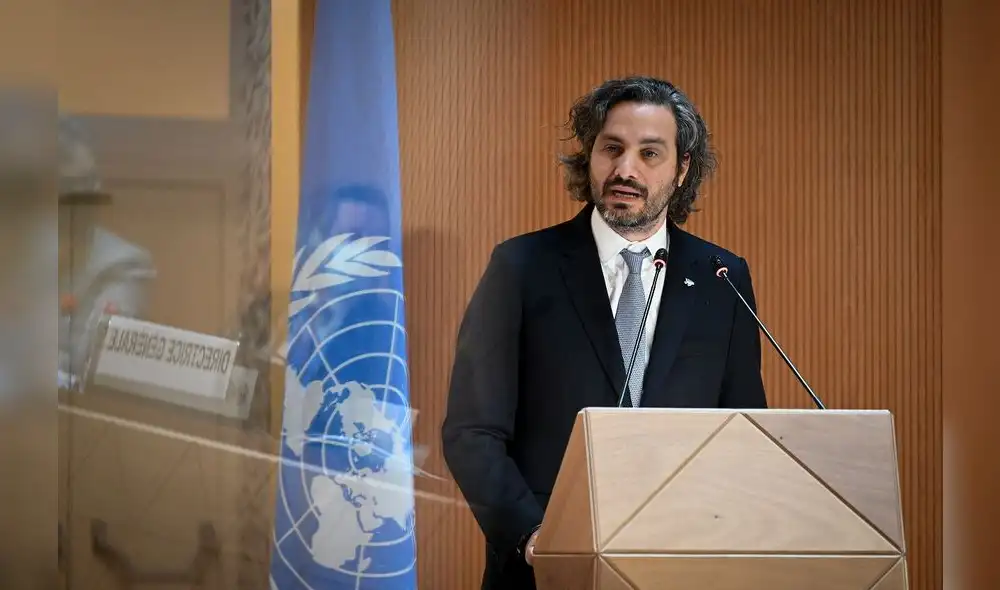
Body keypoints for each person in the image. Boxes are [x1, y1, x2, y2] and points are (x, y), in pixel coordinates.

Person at [440, 76, 768, 590]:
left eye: (650, 153)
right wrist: (536, 538)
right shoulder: (522, 266)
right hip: (541, 570)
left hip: (680, 566)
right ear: (590, 155)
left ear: (681, 170)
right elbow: (472, 431)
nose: (625, 169)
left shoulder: (721, 276)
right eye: (611, 148)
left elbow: (745, 431)